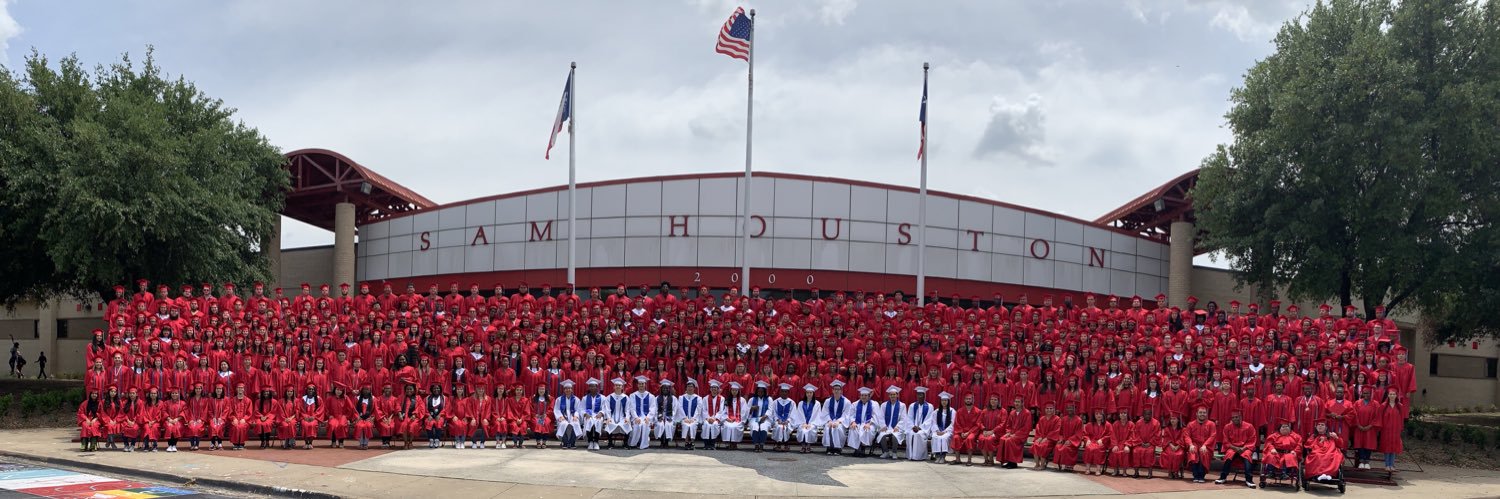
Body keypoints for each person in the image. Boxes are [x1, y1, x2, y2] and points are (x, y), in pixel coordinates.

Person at [1214, 411, 1257, 488]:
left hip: (1245, 448)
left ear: (1241, 417)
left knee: (1247, 456)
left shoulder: (1249, 426)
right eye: (1233, 418)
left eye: (1236, 417)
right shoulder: (1227, 427)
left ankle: (1249, 480)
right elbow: (1226, 441)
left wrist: (1243, 448)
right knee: (1229, 455)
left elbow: (1252, 440)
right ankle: (1223, 477)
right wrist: (1235, 448)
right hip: (1232, 448)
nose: (1234, 419)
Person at [1183, 407, 1217, 483]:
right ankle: (1195, 475)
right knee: (1193, 451)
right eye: (1200, 412)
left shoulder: (1211, 424)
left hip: (1206, 445)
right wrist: (1190, 444)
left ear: (1206, 414)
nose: (1202, 414)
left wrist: (1205, 445)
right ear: (1196, 414)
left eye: (1204, 413)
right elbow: (1187, 436)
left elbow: (1212, 436)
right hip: (1194, 443)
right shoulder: (1191, 424)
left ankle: (1201, 475)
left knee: (1203, 453)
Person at [790, 383, 823, 454]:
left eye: (811, 393)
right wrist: (803, 423)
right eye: (807, 392)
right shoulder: (801, 403)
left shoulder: (817, 404)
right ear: (805, 393)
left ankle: (808, 446)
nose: (809, 394)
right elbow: (799, 415)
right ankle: (803, 446)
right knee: (802, 429)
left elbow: (817, 415)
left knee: (810, 429)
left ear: (813, 393)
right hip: (802, 423)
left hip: (813, 423)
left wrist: (811, 423)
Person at [875, 385, 906, 460]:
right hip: (886, 427)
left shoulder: (902, 405)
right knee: (882, 435)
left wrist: (898, 427)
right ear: (889, 395)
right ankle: (886, 452)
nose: (892, 396)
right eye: (891, 395)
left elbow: (903, 418)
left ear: (897, 395)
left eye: (894, 394)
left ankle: (894, 452)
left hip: (896, 427)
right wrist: (883, 426)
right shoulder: (884, 405)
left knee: (895, 436)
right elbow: (881, 417)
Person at [820, 380, 850, 455]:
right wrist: (829, 421)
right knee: (828, 427)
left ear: (841, 391)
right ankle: (829, 447)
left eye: (838, 389)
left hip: (841, 422)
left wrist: (838, 421)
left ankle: (837, 448)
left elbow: (846, 415)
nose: (836, 391)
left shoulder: (847, 402)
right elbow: (825, 413)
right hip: (830, 421)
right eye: (835, 389)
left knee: (838, 428)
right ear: (832, 390)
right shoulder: (828, 401)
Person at [926, 391, 957, 464]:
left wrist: (944, 431)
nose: (944, 402)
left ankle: (943, 456)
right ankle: (937, 456)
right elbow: (934, 423)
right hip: (938, 431)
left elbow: (952, 424)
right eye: (942, 400)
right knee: (935, 437)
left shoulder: (952, 411)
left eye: (945, 400)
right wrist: (937, 430)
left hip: (947, 431)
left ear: (948, 401)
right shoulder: (936, 411)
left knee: (944, 438)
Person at [904, 386, 934, 461]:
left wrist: (920, 427)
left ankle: (919, 456)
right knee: (910, 434)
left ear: (924, 396)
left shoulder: (929, 406)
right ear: (916, 395)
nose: (920, 396)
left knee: (918, 434)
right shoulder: (912, 406)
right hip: (913, 428)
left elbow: (929, 420)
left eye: (921, 394)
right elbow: (909, 418)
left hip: (923, 429)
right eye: (918, 394)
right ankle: (910, 456)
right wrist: (913, 426)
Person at [553, 379, 582, 449]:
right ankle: (565, 442)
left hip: (572, 416)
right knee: (563, 424)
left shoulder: (576, 399)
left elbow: (578, 409)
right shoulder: (559, 399)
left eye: (569, 388)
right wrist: (560, 416)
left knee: (575, 423)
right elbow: (556, 409)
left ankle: (572, 442)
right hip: (563, 416)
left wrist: (576, 416)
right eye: (566, 388)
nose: (568, 390)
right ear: (564, 390)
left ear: (572, 390)